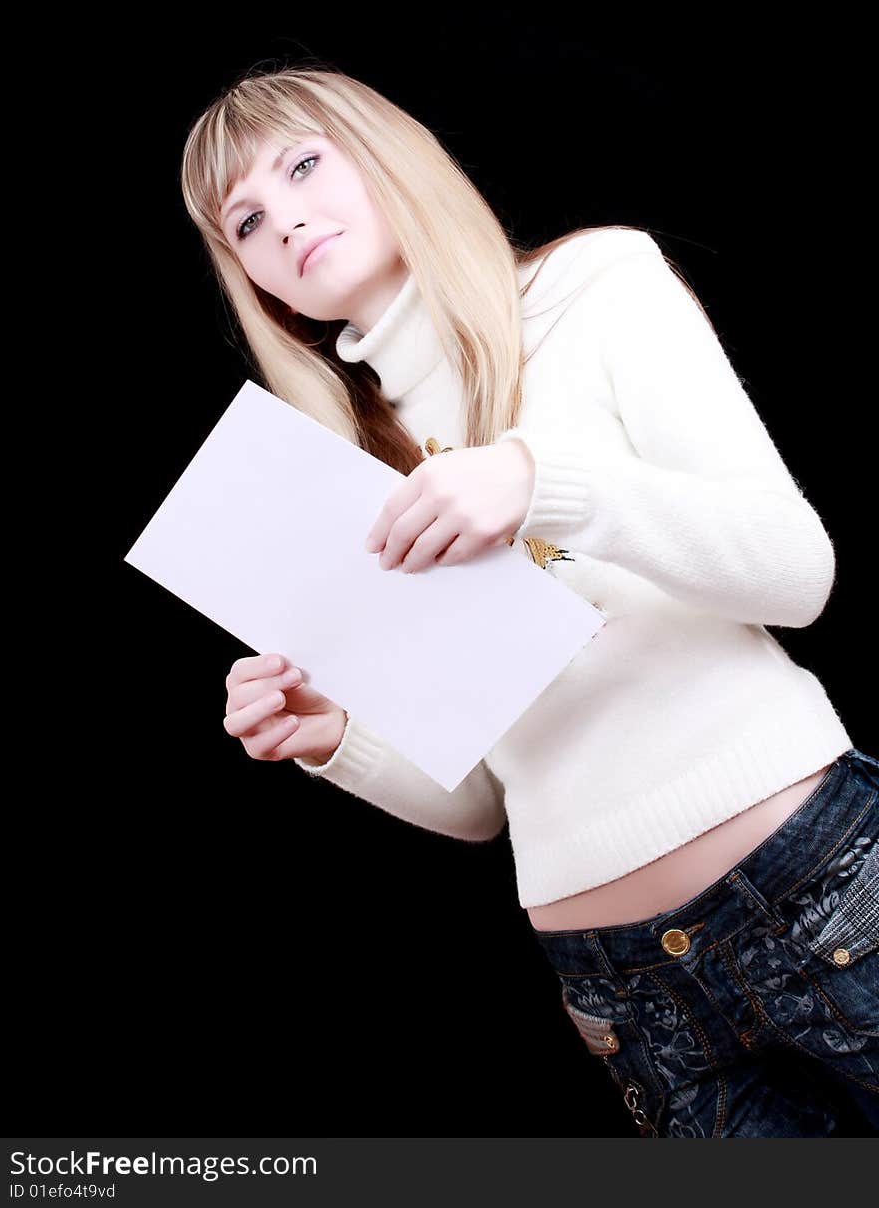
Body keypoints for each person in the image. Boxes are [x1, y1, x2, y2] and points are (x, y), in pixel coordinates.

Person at [180, 65, 878, 1137]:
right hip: (621, 990)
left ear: (384, 150)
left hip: (822, 894)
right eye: (249, 221)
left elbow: (796, 573)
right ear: (255, 280)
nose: (288, 222)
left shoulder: (595, 286)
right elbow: (482, 804)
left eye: (305, 163)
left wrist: (538, 482)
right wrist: (334, 740)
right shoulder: (347, 475)